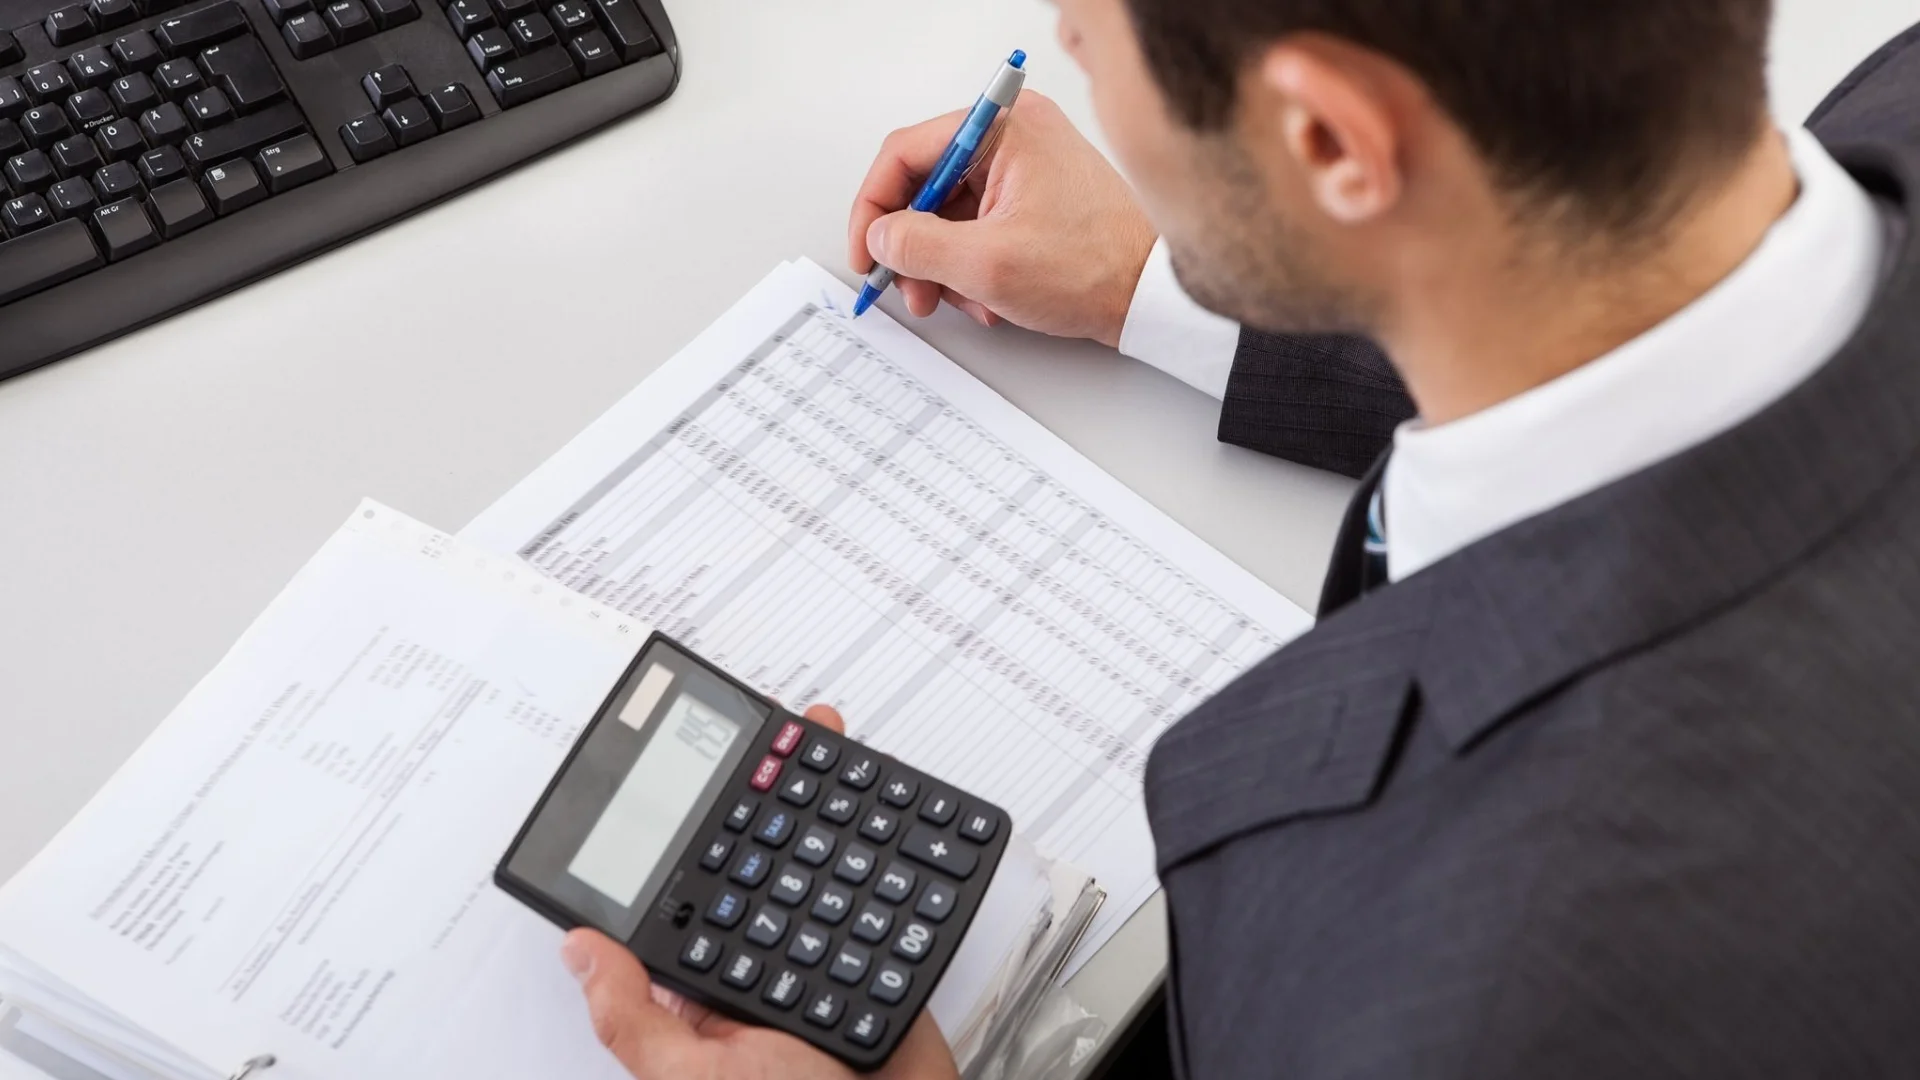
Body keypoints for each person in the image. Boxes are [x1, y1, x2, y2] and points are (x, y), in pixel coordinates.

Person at [561, 0, 1920, 1076]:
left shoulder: (1453, 1006)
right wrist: (1162, 285)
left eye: (1101, 17)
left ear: (1330, 145)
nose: (1067, 39)